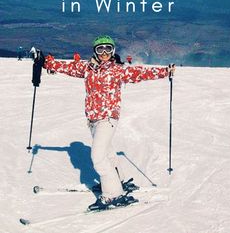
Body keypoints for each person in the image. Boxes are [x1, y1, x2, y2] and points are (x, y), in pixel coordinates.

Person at [42, 35, 175, 211]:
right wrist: (46, 63)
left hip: (107, 117)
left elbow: (141, 72)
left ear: (112, 51)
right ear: (95, 51)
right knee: (108, 153)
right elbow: (68, 67)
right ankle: (118, 181)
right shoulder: (87, 68)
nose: (104, 53)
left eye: (108, 49)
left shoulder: (117, 70)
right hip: (92, 119)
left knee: (97, 157)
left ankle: (114, 194)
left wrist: (165, 71)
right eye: (100, 49)